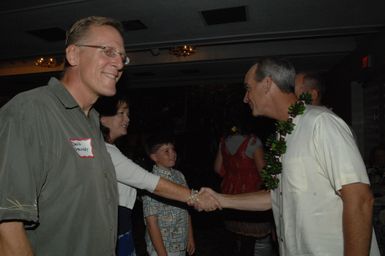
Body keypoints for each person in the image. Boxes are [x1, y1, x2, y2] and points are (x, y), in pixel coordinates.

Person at [201, 57, 380, 256]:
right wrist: (221, 199)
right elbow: (276, 196)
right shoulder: (281, 135)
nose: (245, 97)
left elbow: (360, 199)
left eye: (248, 88)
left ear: (267, 84)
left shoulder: (321, 123)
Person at [0, 16, 130, 255]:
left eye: (122, 56)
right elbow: (7, 227)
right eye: (108, 51)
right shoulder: (30, 111)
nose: (119, 63)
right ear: (73, 55)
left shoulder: (91, 122)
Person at [93, 95, 219, 256]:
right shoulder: (106, 152)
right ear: (103, 118)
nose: (128, 119)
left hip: (120, 228)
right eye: (122, 113)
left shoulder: (109, 149)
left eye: (128, 114)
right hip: (112, 229)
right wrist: (196, 197)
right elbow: (149, 183)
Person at [213, 110, 274, 256]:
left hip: (230, 194)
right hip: (249, 197)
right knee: (248, 242)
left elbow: (217, 168)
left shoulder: (224, 140)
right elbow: (263, 172)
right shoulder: (253, 142)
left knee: (233, 239)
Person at [142, 134, 195, 256]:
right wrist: (162, 253)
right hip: (162, 248)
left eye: (173, 149)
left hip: (180, 243)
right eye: (166, 151)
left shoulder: (179, 176)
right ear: (154, 157)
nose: (172, 154)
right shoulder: (150, 181)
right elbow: (151, 223)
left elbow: (187, 209)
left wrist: (190, 236)